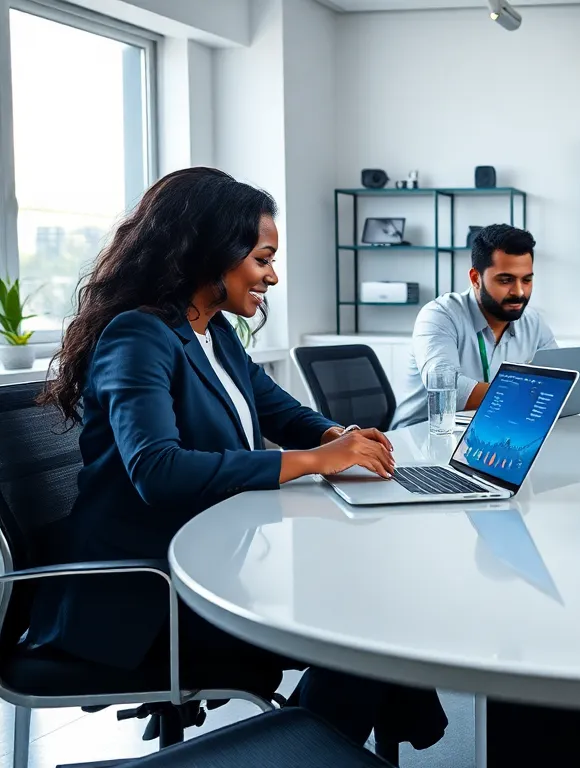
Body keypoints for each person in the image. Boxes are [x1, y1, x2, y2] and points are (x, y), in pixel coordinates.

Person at [28, 167, 448, 754]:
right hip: (146, 599)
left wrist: (340, 435)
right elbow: (159, 471)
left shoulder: (213, 331)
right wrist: (316, 459)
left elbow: (281, 411)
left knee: (379, 613)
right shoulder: (139, 336)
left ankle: (315, 743)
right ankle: (311, 748)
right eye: (262, 259)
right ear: (212, 252)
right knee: (367, 635)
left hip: (213, 562)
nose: (272, 276)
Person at [390, 223, 556, 429]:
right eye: (506, 280)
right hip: (422, 439)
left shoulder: (533, 322)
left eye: (527, 280)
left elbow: (561, 380)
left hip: (488, 432)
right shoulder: (439, 315)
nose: (519, 292)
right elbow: (448, 389)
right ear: (476, 278)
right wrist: (529, 395)